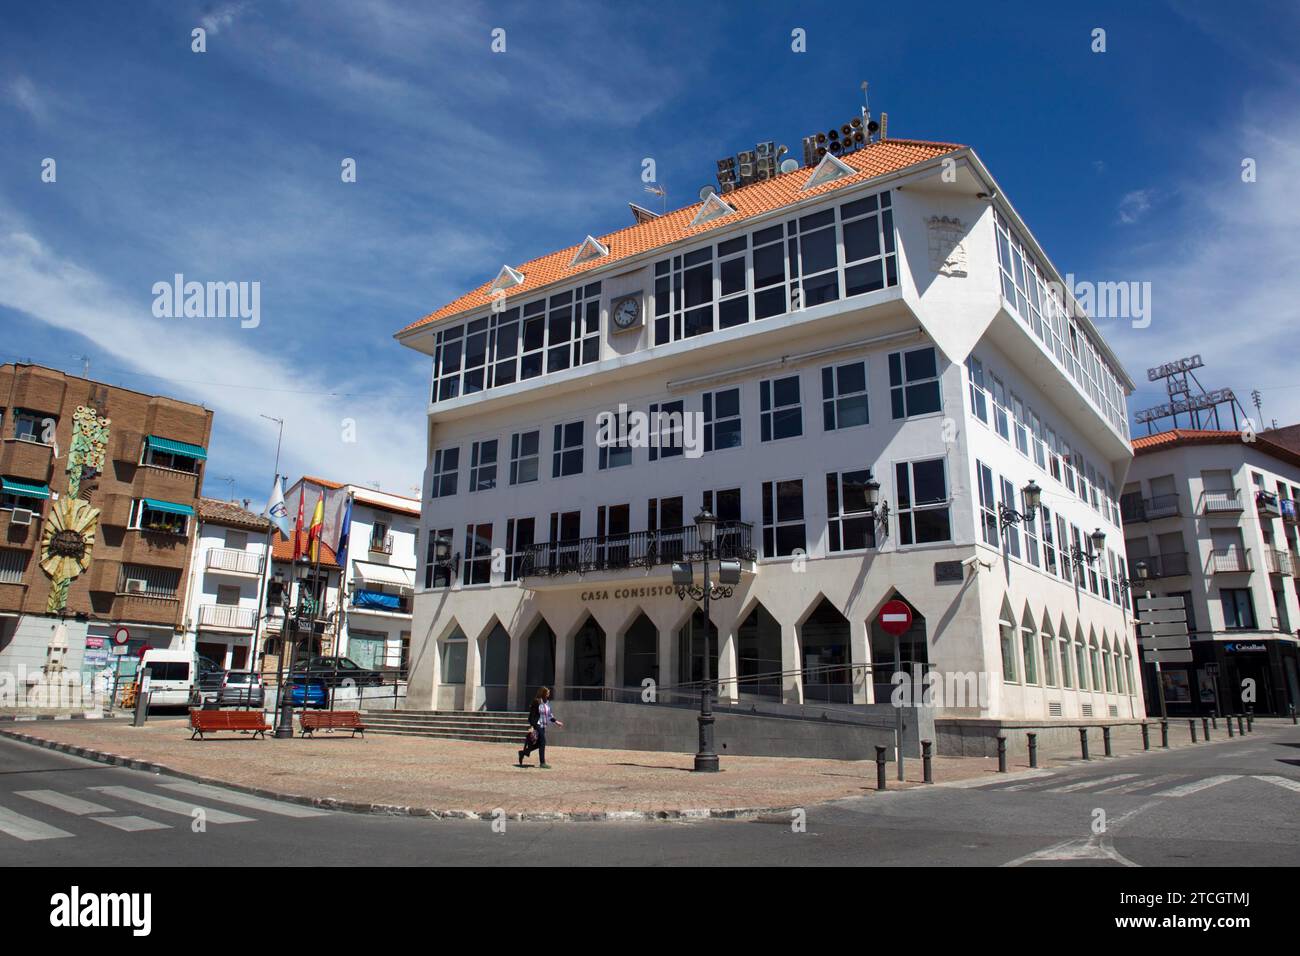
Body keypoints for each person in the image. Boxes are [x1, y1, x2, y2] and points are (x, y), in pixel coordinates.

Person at [518, 686, 562, 768]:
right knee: (543, 742)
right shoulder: (536, 702)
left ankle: (523, 753)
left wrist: (556, 722)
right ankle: (542, 762)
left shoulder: (547, 703)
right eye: (547, 692)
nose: (549, 694)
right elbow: (531, 716)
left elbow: (549, 716)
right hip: (537, 724)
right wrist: (532, 726)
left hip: (543, 725)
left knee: (539, 744)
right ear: (543, 693)